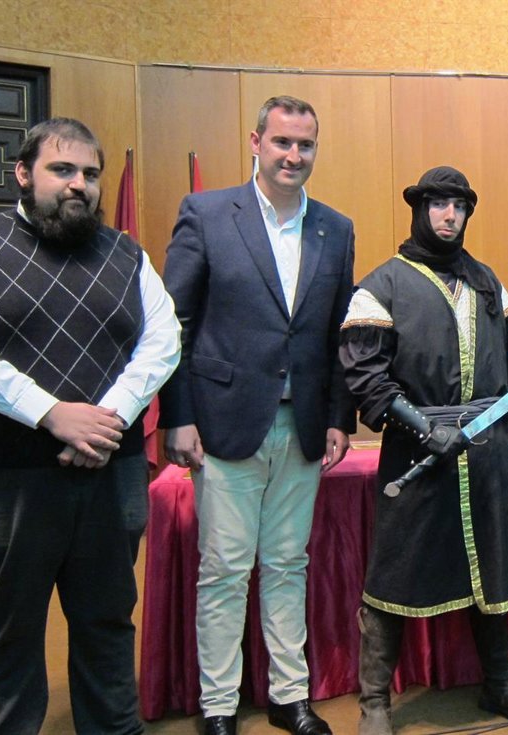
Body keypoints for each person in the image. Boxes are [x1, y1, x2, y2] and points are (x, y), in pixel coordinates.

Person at [0, 117, 180, 734]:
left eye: (90, 174)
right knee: (7, 639)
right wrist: (52, 414)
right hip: (5, 479)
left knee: (107, 629)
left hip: (109, 474)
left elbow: (163, 342)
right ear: (23, 174)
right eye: (62, 169)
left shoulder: (127, 253)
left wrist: (106, 420)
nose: (80, 184)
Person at [159, 96, 356, 735]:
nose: (294, 156)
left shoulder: (335, 228)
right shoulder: (208, 213)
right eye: (282, 142)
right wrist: (177, 415)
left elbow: (339, 333)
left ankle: (288, 697)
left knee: (288, 565)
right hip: (224, 423)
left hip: (302, 428)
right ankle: (218, 706)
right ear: (256, 142)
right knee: (224, 570)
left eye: (306, 145)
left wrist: (339, 416)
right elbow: (174, 324)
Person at [341, 166, 508, 735]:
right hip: (416, 454)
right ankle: (374, 703)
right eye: (438, 204)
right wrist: (420, 427)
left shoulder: (487, 282)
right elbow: (365, 376)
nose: (449, 215)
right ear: (419, 209)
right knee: (395, 571)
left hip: (488, 450)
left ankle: (500, 684)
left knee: (493, 565)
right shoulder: (382, 285)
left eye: (458, 206)